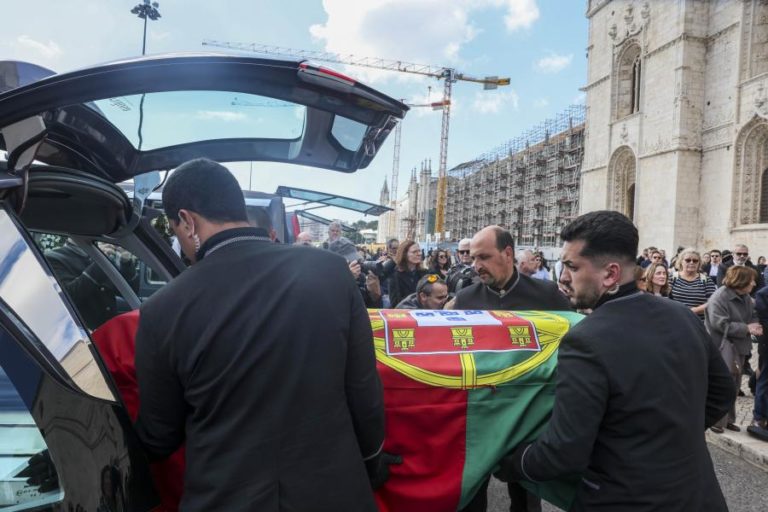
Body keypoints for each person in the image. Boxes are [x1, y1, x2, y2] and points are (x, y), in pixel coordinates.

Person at [132, 158, 387, 512]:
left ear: (188, 222)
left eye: (175, 232)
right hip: (334, 494)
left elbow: (159, 436)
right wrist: (372, 461)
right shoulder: (329, 271)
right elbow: (364, 393)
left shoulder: (161, 309)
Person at [494, 210, 734, 511]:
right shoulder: (682, 316)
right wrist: (666, 439)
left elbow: (564, 452)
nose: (564, 277)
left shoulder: (585, 341)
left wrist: (509, 464)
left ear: (610, 274)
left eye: (571, 267)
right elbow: (722, 393)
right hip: (699, 497)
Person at [454, 225, 570, 512]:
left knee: (526, 493)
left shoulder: (548, 297)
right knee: (472, 489)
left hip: (528, 411)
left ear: (508, 253)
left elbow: (570, 347)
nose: (476, 265)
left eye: (484, 257)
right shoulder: (466, 298)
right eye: (472, 258)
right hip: (481, 409)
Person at [705, 265, 763, 434]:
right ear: (741, 281)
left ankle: (728, 419)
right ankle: (716, 420)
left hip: (739, 347)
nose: (753, 283)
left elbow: (753, 314)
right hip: (722, 348)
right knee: (722, 385)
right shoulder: (720, 297)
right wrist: (746, 328)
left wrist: (754, 325)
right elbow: (720, 324)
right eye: (751, 280)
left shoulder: (745, 296)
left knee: (735, 386)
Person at [669, 248, 715, 320]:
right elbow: (664, 299)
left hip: (698, 323)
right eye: (687, 260)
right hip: (675, 320)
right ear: (681, 261)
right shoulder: (672, 278)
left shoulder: (706, 280)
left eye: (695, 261)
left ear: (699, 263)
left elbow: (713, 302)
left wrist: (693, 311)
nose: (691, 262)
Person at [386, 240, 427, 308]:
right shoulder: (395, 275)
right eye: (414, 252)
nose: (419, 254)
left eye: (419, 251)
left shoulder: (425, 273)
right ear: (404, 254)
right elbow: (395, 302)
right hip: (403, 313)